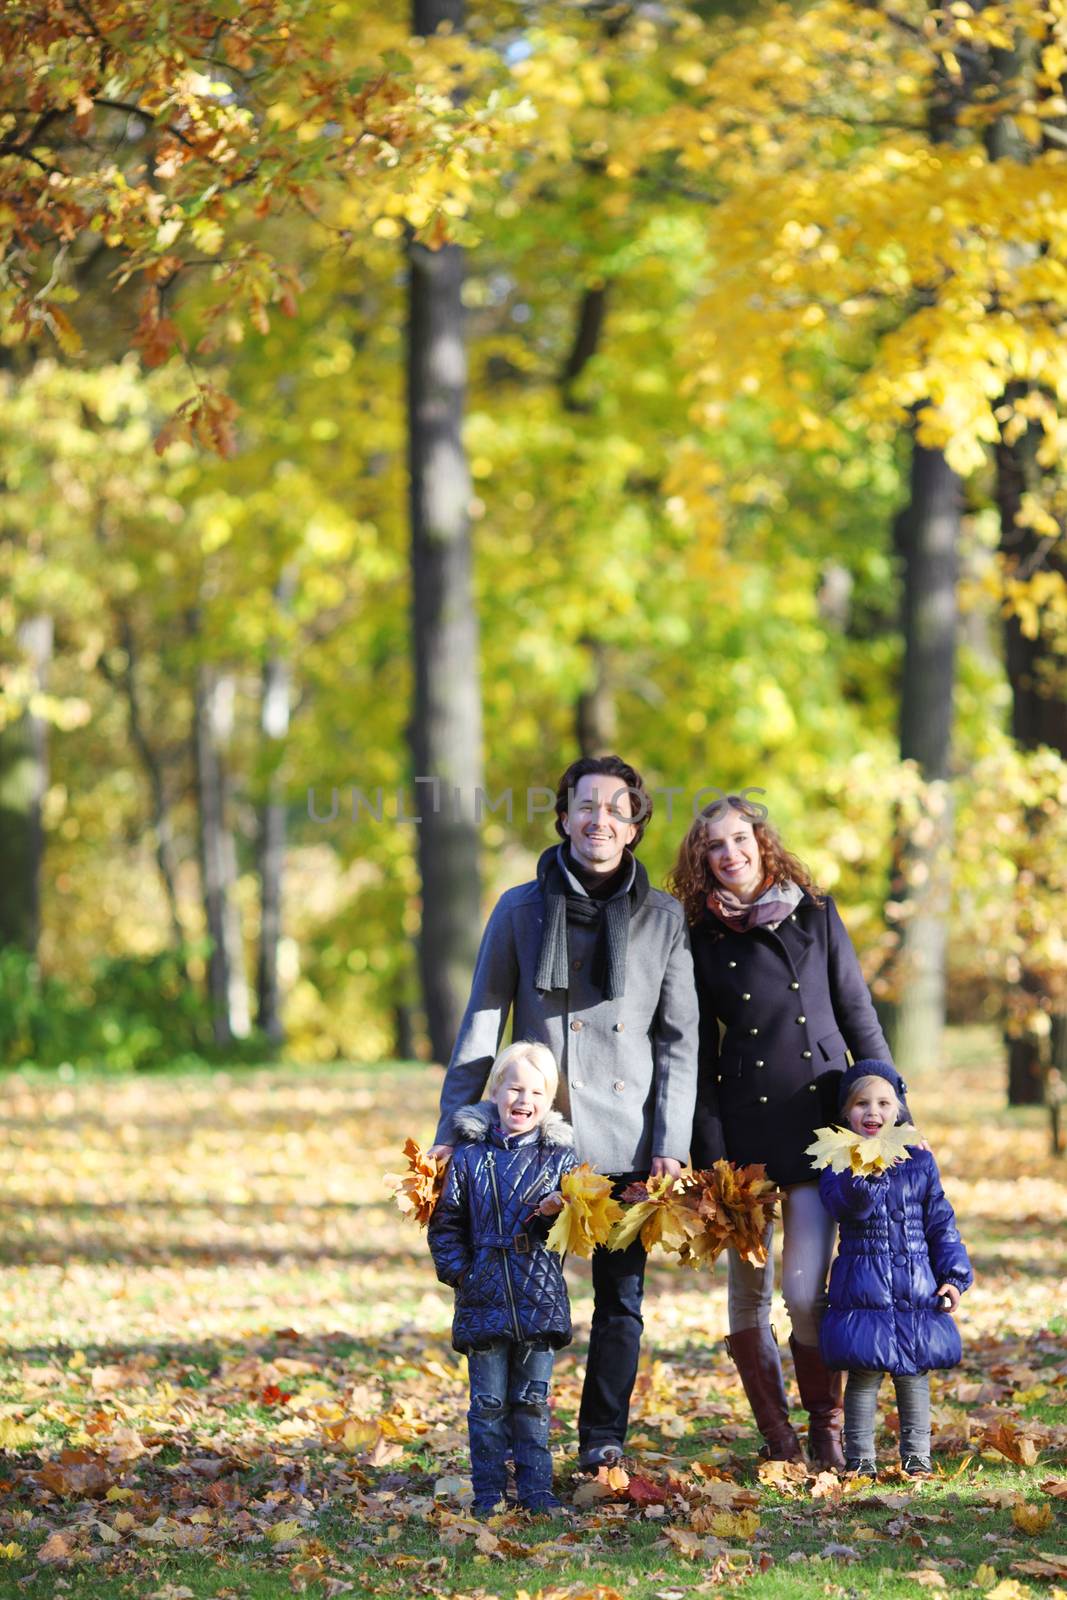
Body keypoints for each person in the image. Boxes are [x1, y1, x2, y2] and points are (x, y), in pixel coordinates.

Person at [428, 754, 700, 1469]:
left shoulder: (663, 919)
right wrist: (454, 1130)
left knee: (620, 1302)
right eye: (586, 805)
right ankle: (519, 1438)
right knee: (516, 1297)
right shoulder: (519, 908)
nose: (599, 819)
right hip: (530, 1142)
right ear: (563, 817)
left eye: (616, 808)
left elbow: (678, 1040)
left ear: (634, 826)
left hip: (627, 1140)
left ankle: (601, 1438)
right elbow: (482, 1021)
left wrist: (671, 1142)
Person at [668, 794, 905, 1469]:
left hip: (816, 1124)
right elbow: (699, 1052)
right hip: (742, 1134)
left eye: (740, 838)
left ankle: (825, 1426)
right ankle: (778, 1437)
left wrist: (892, 1111)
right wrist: (708, 1156)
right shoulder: (699, 935)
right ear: (700, 859)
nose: (730, 853)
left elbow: (857, 1014)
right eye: (714, 845)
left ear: (762, 842)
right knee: (748, 1292)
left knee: (804, 1290)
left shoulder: (816, 912)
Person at [427, 1040, 577, 1514]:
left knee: (532, 1403)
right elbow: (446, 1223)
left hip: (538, 1295)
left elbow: (572, 1232)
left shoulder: (561, 1161)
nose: (523, 1101)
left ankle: (537, 1492)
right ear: (495, 1092)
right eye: (513, 1089)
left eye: (535, 1092)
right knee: (488, 1404)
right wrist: (461, 1274)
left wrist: (553, 1214)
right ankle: (489, 1493)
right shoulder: (469, 1158)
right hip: (482, 1294)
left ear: (549, 1101)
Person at [818, 1061, 972, 1477]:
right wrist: (868, 1170)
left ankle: (917, 1454)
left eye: (884, 1102)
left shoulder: (920, 1161)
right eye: (861, 1103)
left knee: (913, 1373)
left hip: (916, 1284)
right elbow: (846, 1205)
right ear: (846, 1113)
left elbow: (941, 1222)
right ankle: (861, 1456)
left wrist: (953, 1277)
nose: (874, 1111)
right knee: (864, 1373)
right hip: (863, 1286)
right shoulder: (838, 1160)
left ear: (899, 1110)